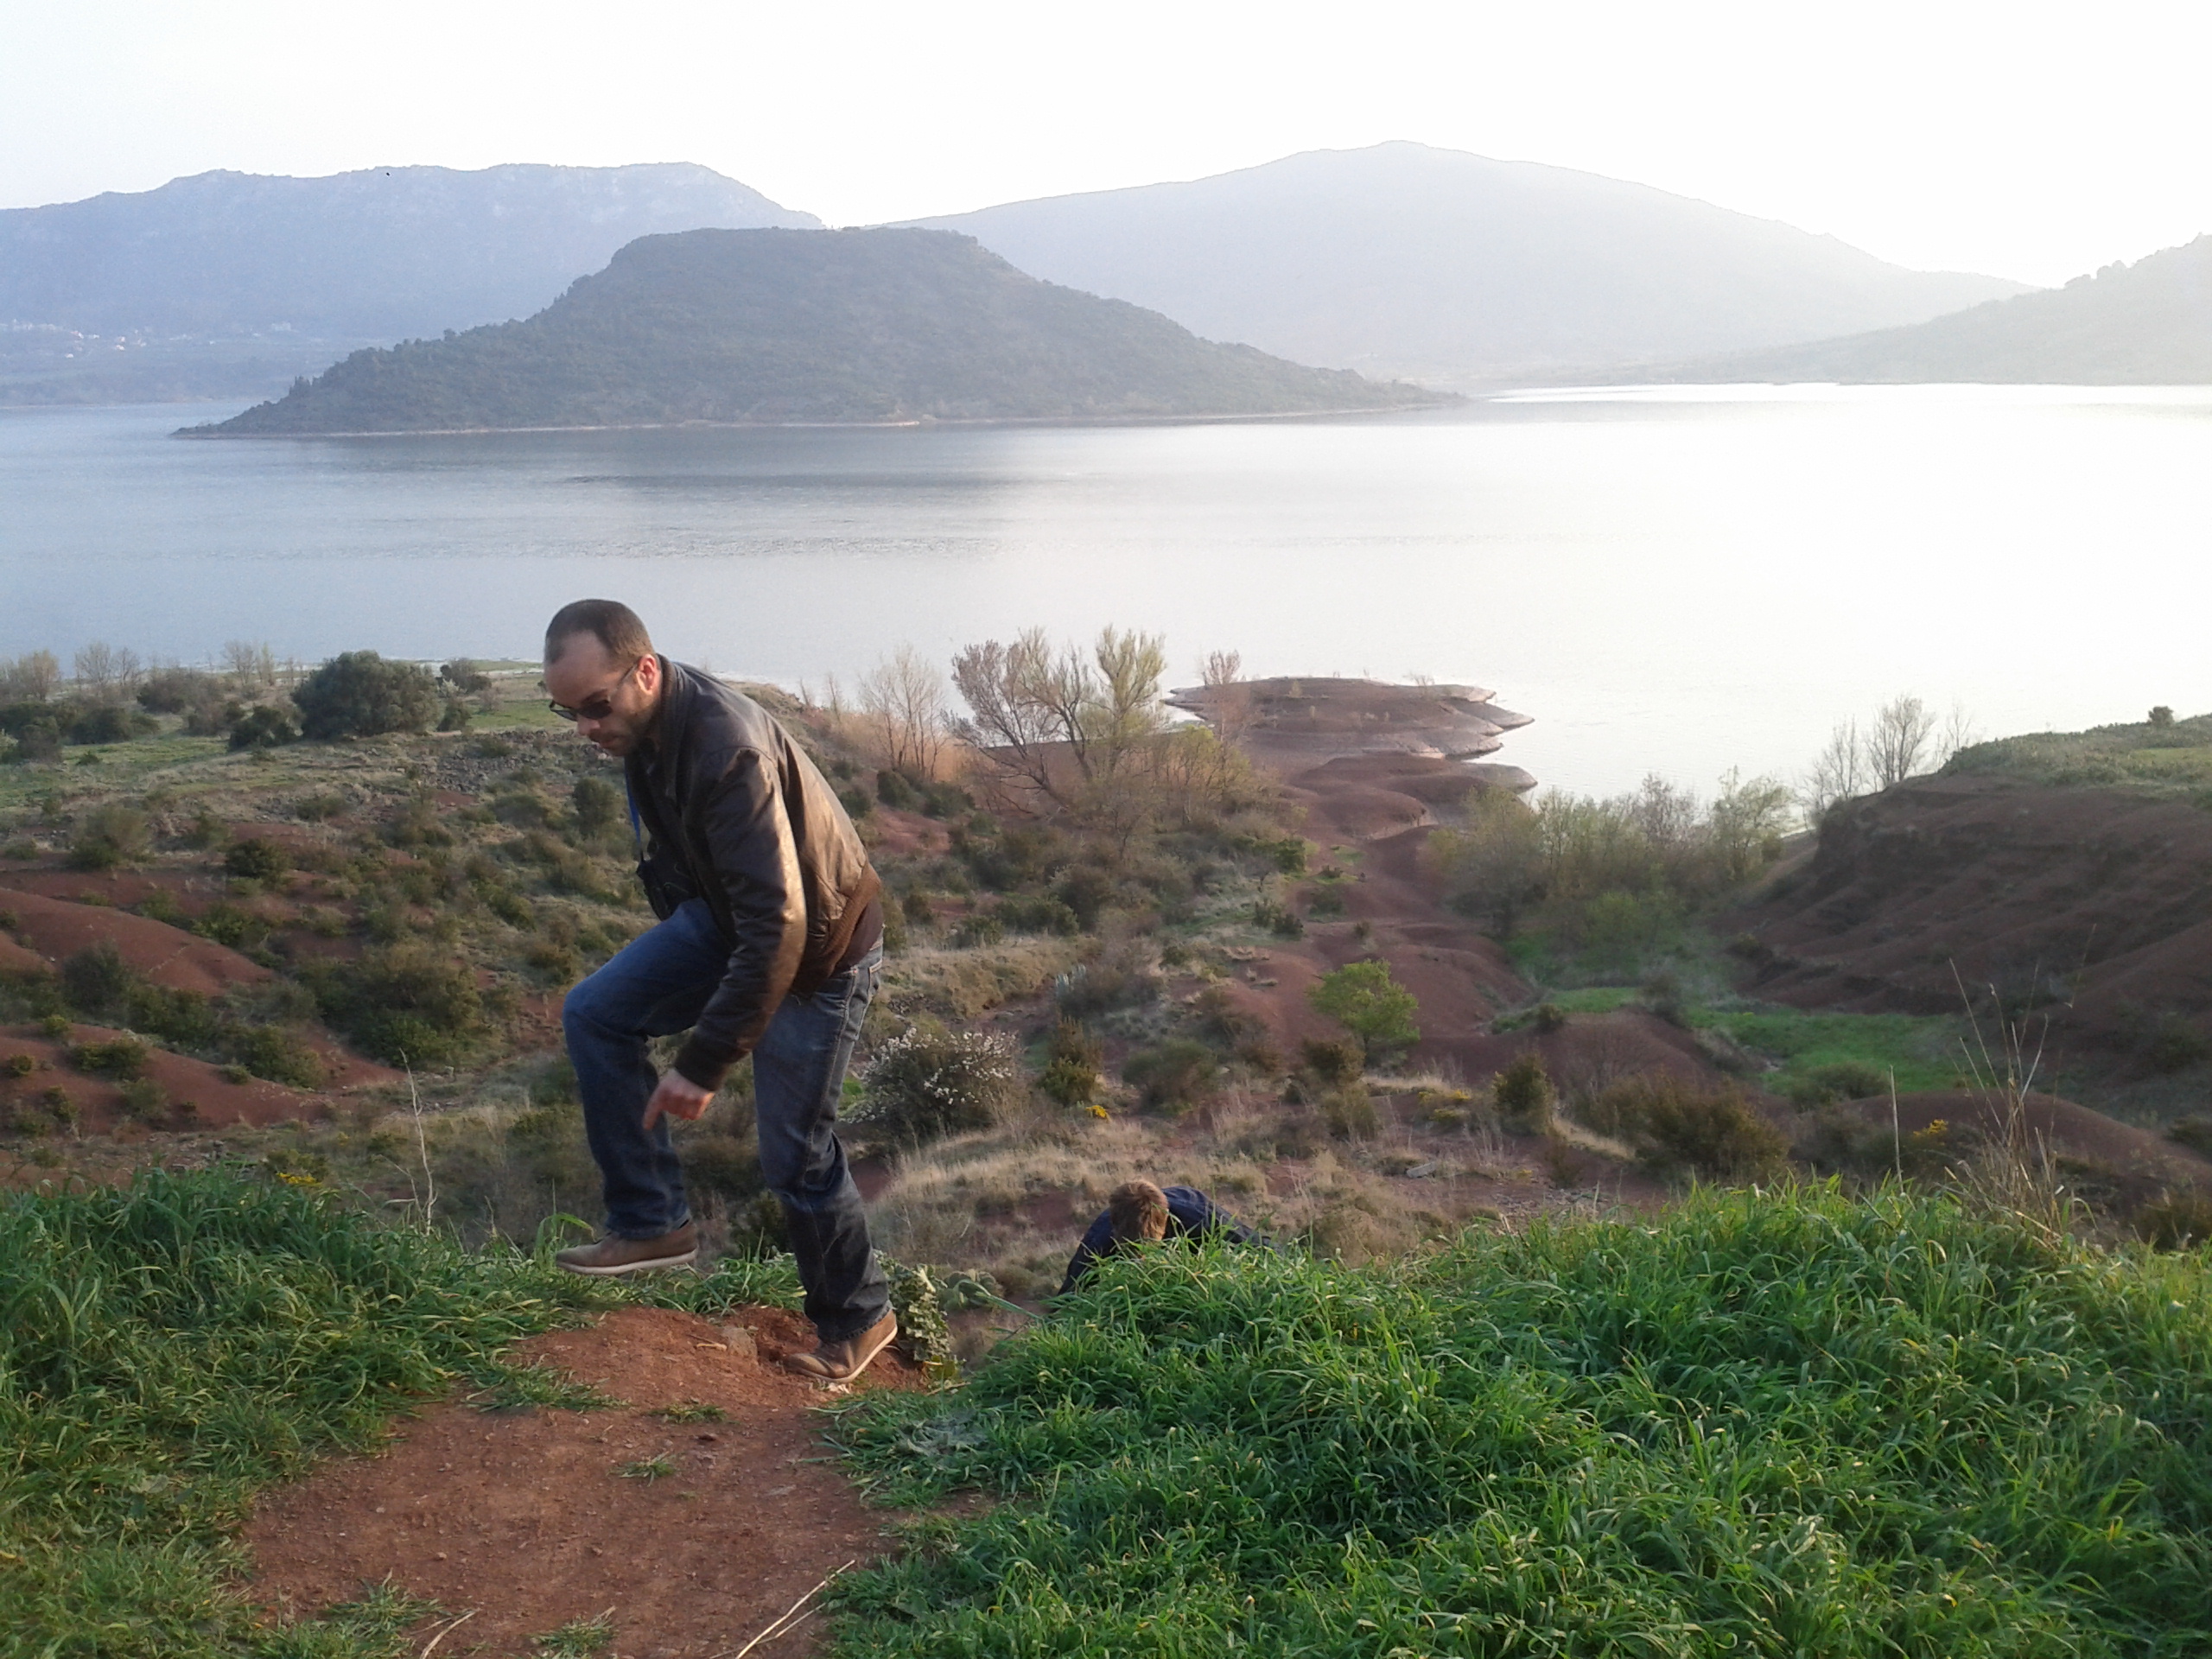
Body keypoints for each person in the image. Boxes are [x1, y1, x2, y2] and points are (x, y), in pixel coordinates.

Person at [543, 600, 894, 1383]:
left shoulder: (725, 748)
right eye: (568, 713)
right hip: (732, 921)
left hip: (820, 951)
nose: (586, 729)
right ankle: (652, 1222)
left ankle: (859, 1316)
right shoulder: (646, 724)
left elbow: (782, 924)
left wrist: (704, 1062)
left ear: (645, 671)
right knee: (594, 1013)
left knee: (794, 1154)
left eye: (595, 707)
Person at [1058, 1179, 1264, 1294]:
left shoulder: (1203, 1220)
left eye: (1149, 1252)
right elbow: (1066, 1301)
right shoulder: (1099, 1242)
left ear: (1167, 1222)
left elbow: (1263, 1249)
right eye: (1132, 1254)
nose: (1142, 1262)